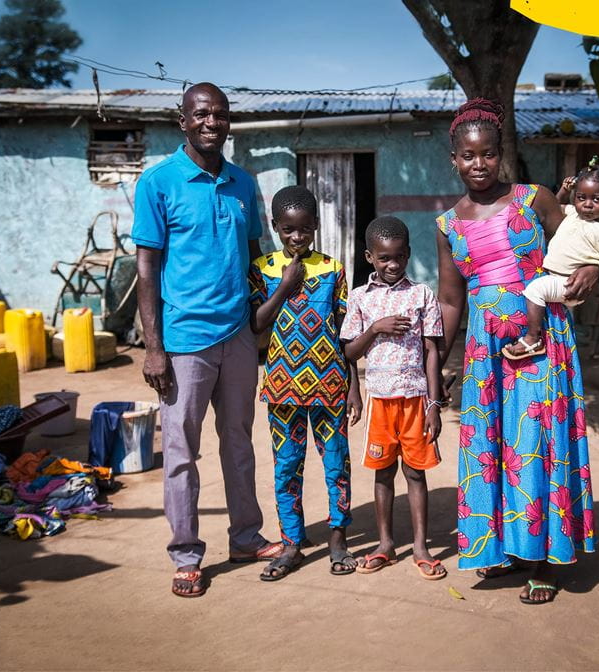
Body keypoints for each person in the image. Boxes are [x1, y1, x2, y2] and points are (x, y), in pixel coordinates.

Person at [435, 98, 599, 605]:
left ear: (500, 154)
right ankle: (505, 549)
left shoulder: (535, 199)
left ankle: (545, 558)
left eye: (487, 154)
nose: (478, 164)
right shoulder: (447, 225)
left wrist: (590, 268)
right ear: (454, 159)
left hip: (540, 333)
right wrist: (438, 363)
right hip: (485, 350)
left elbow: (580, 241)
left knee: (535, 439)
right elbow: (448, 299)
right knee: (492, 445)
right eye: (468, 155)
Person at [132, 82, 281, 599]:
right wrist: (153, 346)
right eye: (201, 114)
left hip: (238, 335)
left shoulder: (243, 182)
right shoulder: (159, 183)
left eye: (219, 114)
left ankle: (244, 537)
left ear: (229, 122)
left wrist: (266, 328)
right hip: (184, 340)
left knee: (239, 442)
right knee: (180, 452)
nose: (211, 122)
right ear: (183, 121)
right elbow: (147, 268)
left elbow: (257, 255)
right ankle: (186, 555)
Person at [247, 185, 363, 581]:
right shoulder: (263, 267)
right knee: (286, 466)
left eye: (306, 230)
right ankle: (291, 543)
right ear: (277, 227)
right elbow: (256, 323)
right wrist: (285, 284)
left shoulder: (333, 269)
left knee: (337, 464)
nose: (298, 238)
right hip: (282, 387)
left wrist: (354, 385)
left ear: (316, 226)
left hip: (330, 384)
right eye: (289, 231)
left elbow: (346, 332)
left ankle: (337, 540)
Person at [341, 216, 448, 581]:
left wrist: (434, 404)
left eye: (400, 257)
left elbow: (432, 351)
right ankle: (386, 544)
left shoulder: (422, 295)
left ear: (408, 255)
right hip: (380, 401)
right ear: (370, 256)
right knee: (383, 472)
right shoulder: (359, 298)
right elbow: (350, 353)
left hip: (416, 399)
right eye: (384, 258)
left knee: (415, 473)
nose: (393, 265)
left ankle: (420, 547)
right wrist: (375, 328)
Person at [503, 157, 599, 359]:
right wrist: (564, 191)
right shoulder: (572, 214)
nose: (587, 204)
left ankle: (533, 339)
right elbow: (555, 206)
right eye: (581, 197)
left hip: (569, 283)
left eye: (597, 199)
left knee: (535, 290)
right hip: (555, 277)